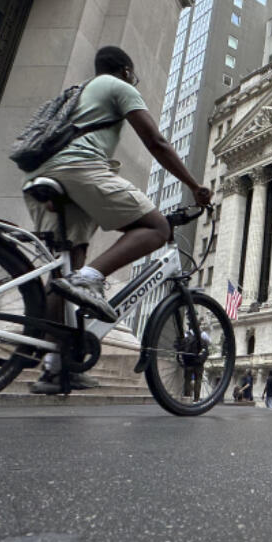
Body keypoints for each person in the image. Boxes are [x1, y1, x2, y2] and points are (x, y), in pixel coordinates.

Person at [25, 45, 211, 394]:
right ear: (125, 70)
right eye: (132, 73)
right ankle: (92, 278)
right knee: (156, 227)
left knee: (65, 272)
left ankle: (54, 366)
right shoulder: (119, 86)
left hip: (44, 174)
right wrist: (194, 185)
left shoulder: (80, 92)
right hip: (80, 167)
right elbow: (156, 141)